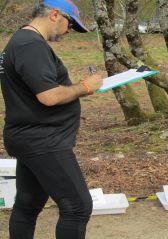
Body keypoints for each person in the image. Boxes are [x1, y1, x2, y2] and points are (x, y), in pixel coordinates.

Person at [0, 0, 103, 238]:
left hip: (29, 136)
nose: (69, 31)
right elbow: (49, 96)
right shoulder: (30, 45)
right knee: (77, 206)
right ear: (55, 15)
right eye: (71, 25)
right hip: (43, 140)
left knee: (29, 203)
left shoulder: (20, 42)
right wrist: (86, 87)